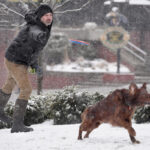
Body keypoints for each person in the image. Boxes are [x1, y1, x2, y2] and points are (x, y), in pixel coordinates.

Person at [0, 4, 53, 133]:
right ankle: (17, 124)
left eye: (51, 15)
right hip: (17, 61)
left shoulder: (40, 25)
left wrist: (34, 66)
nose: (49, 18)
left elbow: (33, 51)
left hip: (12, 58)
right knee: (26, 89)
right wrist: (34, 67)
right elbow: (33, 36)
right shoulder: (37, 29)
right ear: (40, 17)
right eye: (46, 15)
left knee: (9, 84)